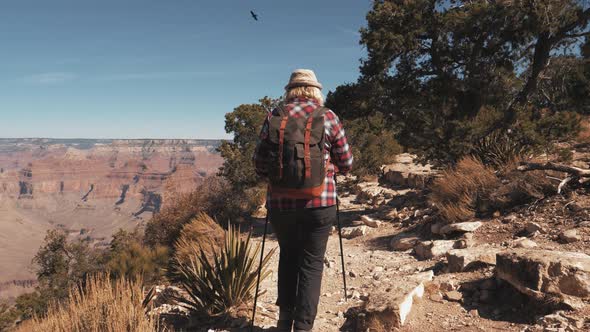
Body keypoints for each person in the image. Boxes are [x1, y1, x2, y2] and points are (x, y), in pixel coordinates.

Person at [253, 69, 353, 332]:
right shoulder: (328, 116)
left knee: (288, 256)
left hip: (281, 203)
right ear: (315, 91)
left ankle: (284, 322)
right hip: (320, 203)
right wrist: (332, 169)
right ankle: (303, 327)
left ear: (290, 91)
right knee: (312, 263)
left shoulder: (275, 116)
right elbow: (347, 161)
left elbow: (259, 162)